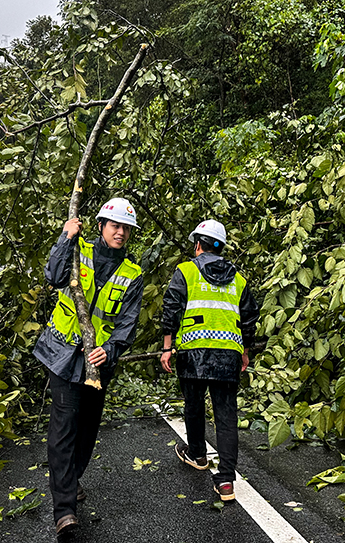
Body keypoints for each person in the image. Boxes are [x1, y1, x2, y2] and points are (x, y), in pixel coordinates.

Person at [33, 197, 144, 535]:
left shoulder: (132, 274)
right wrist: (65, 237)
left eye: (126, 228)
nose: (121, 232)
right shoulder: (77, 249)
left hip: (98, 365)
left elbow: (127, 323)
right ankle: (64, 511)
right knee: (63, 429)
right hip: (63, 355)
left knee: (88, 429)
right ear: (100, 226)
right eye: (115, 226)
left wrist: (109, 350)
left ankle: (71, 478)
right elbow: (52, 277)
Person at [160, 219, 259, 502]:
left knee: (193, 405)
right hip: (227, 352)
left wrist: (167, 347)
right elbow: (249, 317)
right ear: (221, 248)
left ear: (198, 244)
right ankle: (226, 480)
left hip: (192, 351)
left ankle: (197, 454)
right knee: (226, 416)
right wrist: (245, 350)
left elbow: (172, 308)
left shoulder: (186, 271)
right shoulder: (238, 279)